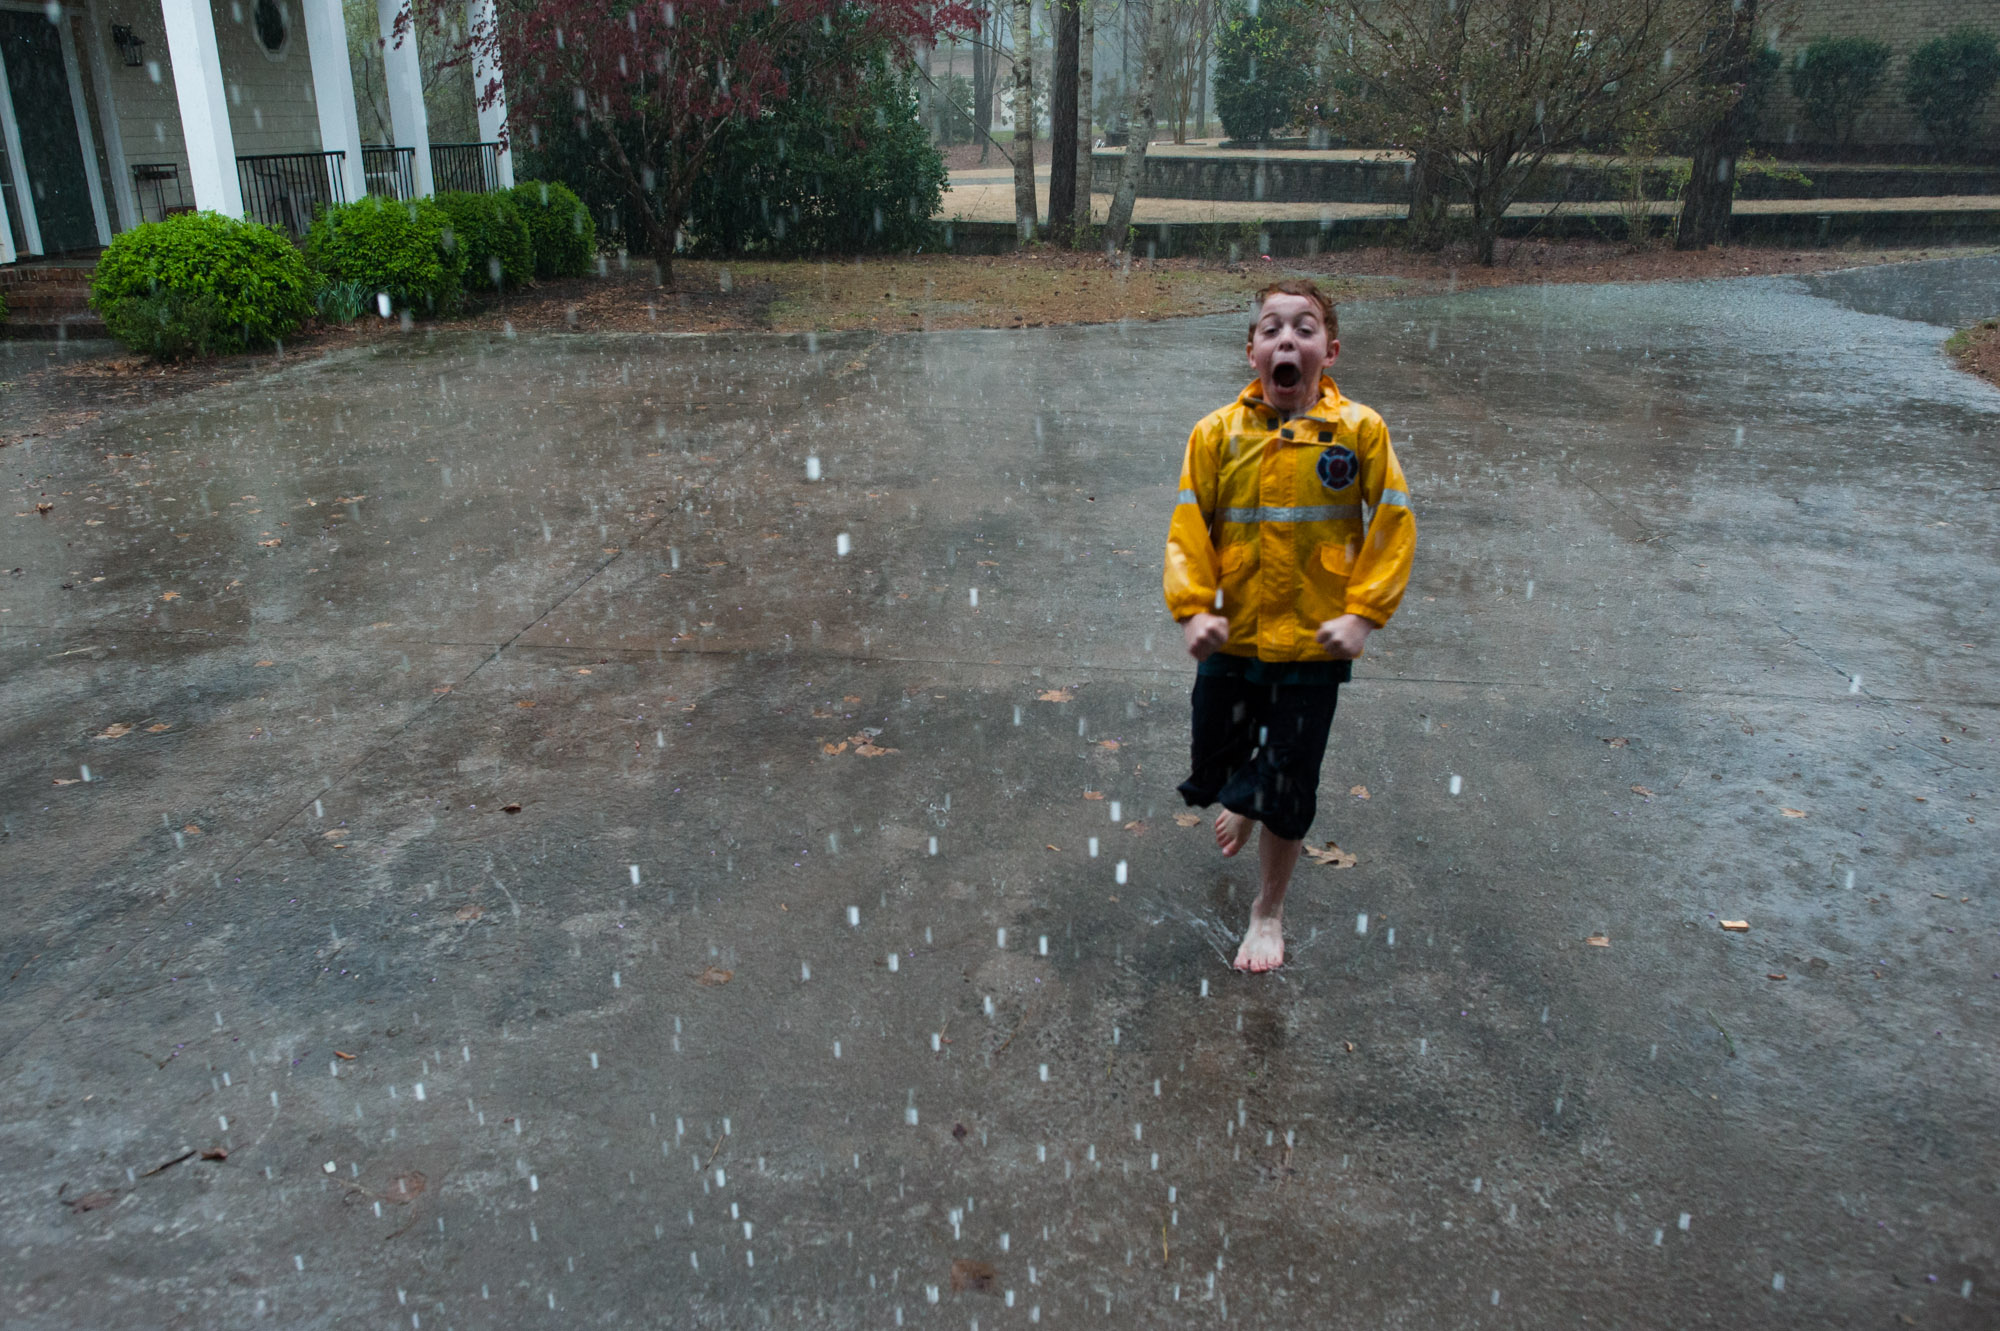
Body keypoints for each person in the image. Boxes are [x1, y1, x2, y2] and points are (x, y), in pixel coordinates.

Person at [1163, 279, 1416, 973]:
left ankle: (1267, 909)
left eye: (1304, 329)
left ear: (1328, 352)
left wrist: (1363, 613)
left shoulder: (1359, 432)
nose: (1286, 339)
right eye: (1271, 328)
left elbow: (1393, 525)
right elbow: (1188, 530)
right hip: (1233, 637)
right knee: (1216, 760)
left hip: (1313, 642)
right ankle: (1245, 795)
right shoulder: (1215, 434)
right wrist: (1193, 608)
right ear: (1252, 352)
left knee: (1289, 783)